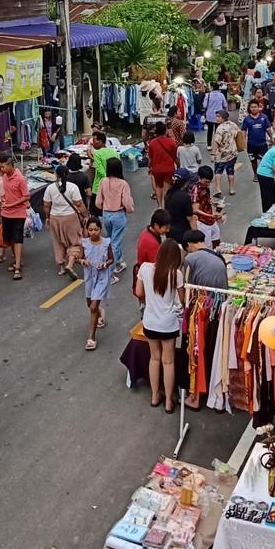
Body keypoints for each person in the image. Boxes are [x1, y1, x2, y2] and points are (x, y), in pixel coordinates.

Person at [134, 238, 185, 413]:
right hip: (168, 323)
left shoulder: (145, 269)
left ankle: (155, 395)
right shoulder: (175, 274)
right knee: (168, 361)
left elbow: (139, 292)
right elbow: (183, 300)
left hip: (150, 320)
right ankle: (169, 401)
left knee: (154, 358)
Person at [75, 216, 114, 351]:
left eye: (96, 230)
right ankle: (100, 313)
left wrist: (105, 264)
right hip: (89, 276)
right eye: (90, 230)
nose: (93, 232)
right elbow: (79, 258)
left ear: (100, 229)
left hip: (102, 276)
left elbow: (111, 259)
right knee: (89, 303)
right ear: (87, 230)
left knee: (92, 307)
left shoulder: (106, 242)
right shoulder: (84, 243)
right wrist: (82, 261)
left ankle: (91, 338)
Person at [44, 163, 87, 278]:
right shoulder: (73, 187)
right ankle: (70, 263)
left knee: (58, 242)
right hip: (70, 218)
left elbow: (47, 205)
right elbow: (79, 204)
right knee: (75, 241)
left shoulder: (50, 188)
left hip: (55, 218)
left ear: (56, 175)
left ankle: (61, 267)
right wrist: (86, 215)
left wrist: (47, 218)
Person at [95, 156, 134, 278]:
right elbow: (127, 202)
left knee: (111, 239)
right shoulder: (123, 184)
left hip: (106, 214)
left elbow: (98, 202)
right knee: (115, 242)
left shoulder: (103, 181)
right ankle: (110, 271)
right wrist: (130, 209)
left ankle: (119, 261)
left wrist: (104, 206)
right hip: (118, 214)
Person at [0, 153, 29, 280]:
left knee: (17, 239)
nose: (1, 169)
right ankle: (16, 259)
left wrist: (12, 204)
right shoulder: (4, 177)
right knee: (9, 239)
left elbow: (26, 196)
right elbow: (6, 192)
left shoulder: (20, 179)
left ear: (10, 165)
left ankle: (17, 267)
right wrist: (5, 201)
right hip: (6, 213)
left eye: (3, 166)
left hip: (18, 213)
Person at [146, 121, 179, 209]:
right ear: (165, 131)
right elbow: (174, 157)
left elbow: (150, 158)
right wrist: (179, 165)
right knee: (166, 189)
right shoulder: (171, 142)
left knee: (158, 187)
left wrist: (149, 167)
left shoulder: (152, 143)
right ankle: (165, 206)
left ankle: (159, 206)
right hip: (168, 169)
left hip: (156, 169)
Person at [211, 108, 241, 197]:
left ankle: (218, 189)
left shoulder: (220, 128)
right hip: (232, 152)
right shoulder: (233, 125)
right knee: (230, 171)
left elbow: (216, 142)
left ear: (223, 118)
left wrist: (213, 154)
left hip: (222, 154)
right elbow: (238, 134)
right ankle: (232, 189)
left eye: (218, 117)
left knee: (218, 171)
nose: (217, 118)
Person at [241, 98, 273, 181]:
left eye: (255, 107)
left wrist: (272, 138)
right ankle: (255, 174)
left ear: (259, 107)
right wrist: (242, 142)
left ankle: (263, 174)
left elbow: (268, 129)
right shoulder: (247, 119)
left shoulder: (264, 117)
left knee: (263, 160)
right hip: (251, 144)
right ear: (249, 108)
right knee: (253, 161)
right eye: (252, 107)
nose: (254, 108)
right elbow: (243, 131)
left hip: (262, 144)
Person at [164, 168, 196, 246]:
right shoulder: (184, 197)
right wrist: (196, 236)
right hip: (183, 233)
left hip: (170, 231)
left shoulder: (169, 192)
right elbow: (190, 219)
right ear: (186, 183)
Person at [191, 165, 221, 248]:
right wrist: (211, 216)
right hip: (202, 222)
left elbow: (207, 200)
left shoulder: (206, 187)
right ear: (200, 178)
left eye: (209, 182)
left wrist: (214, 203)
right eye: (206, 182)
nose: (208, 184)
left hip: (211, 220)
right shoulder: (197, 189)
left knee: (216, 241)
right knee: (207, 246)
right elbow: (195, 209)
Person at [135, 209, 171, 277]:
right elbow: (156, 266)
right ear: (156, 225)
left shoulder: (146, 232)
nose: (168, 230)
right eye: (166, 228)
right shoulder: (152, 244)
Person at [88, 131, 117, 207]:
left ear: (100, 141)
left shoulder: (97, 154)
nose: (92, 143)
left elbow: (100, 170)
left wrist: (106, 179)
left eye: (94, 141)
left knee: (95, 211)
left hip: (99, 186)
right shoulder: (115, 153)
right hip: (114, 185)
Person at [203, 83, 228, 149]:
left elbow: (204, 105)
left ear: (212, 88)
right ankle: (218, 144)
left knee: (210, 131)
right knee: (218, 131)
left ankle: (209, 145)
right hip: (219, 116)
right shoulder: (221, 95)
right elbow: (225, 105)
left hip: (210, 115)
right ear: (218, 88)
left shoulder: (207, 95)